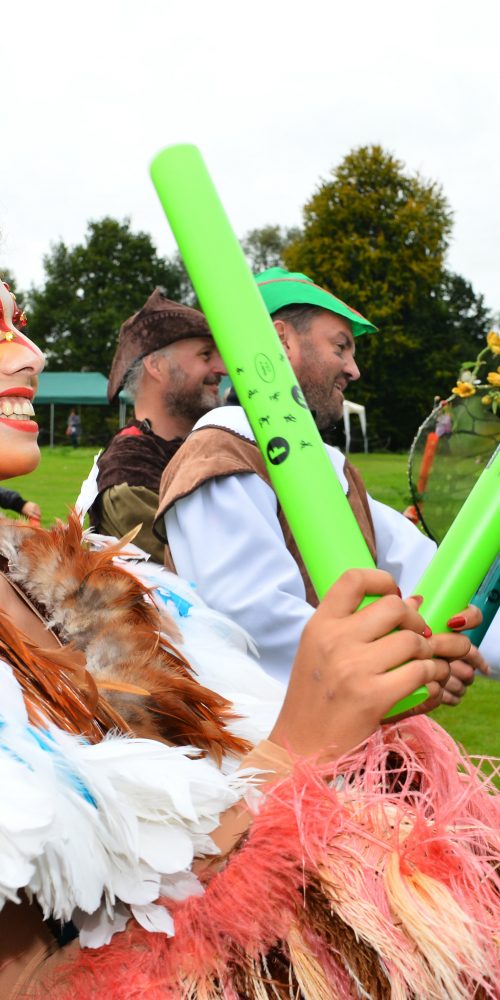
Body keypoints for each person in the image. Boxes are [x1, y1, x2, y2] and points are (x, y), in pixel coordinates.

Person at [0, 275, 498, 998]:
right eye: (340, 346)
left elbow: (203, 753)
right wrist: (299, 744)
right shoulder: (213, 459)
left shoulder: (72, 576)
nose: (32, 353)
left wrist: (397, 663)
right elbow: (41, 974)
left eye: (18, 320)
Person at [156, 267, 490, 694]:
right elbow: (254, 621)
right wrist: (411, 658)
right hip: (267, 731)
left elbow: (427, 572)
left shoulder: (332, 468)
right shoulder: (221, 455)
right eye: (340, 347)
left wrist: (457, 630)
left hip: (347, 724)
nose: (354, 370)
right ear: (280, 341)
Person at [87, 288, 226, 561]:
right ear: (156, 365)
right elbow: (206, 569)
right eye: (206, 355)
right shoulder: (129, 470)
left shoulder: (203, 446)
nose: (222, 368)